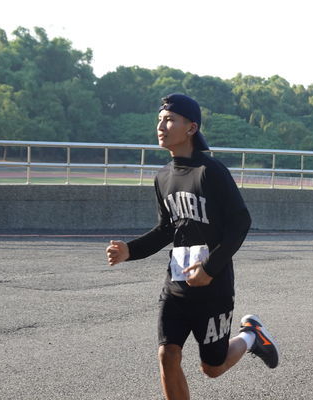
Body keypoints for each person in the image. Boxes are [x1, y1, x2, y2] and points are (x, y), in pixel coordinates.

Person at [105, 93, 278, 400]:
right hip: (176, 287)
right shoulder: (163, 177)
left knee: (212, 367)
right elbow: (166, 230)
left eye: (169, 119)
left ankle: (251, 336)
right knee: (167, 355)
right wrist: (129, 250)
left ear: (191, 128)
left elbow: (241, 223)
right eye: (159, 119)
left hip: (214, 289)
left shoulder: (211, 172)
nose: (161, 125)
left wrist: (211, 268)